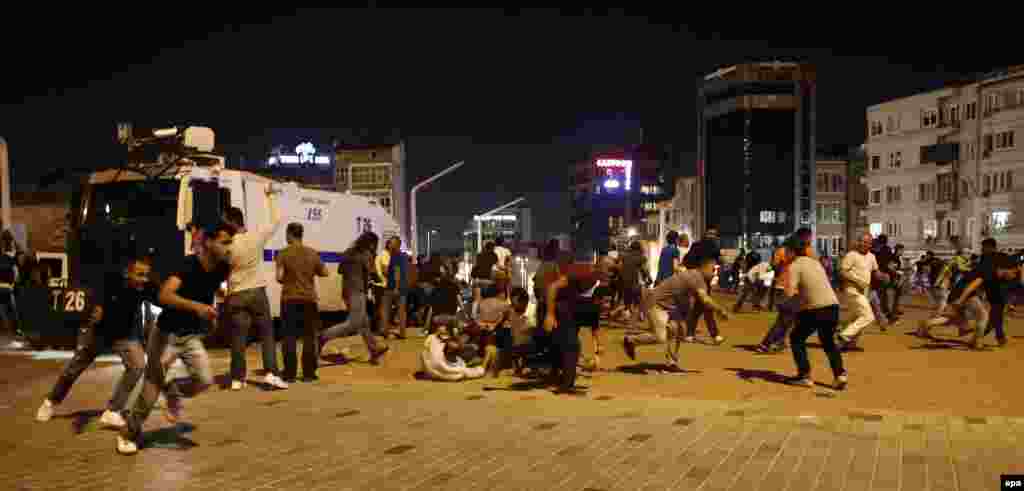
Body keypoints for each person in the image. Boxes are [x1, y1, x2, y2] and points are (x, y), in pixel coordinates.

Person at [117, 222, 235, 455]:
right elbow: (164, 295)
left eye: (231, 242)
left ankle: (174, 389)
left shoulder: (223, 268)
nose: (229, 247)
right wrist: (197, 307)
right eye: (224, 242)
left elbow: (214, 290)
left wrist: (216, 306)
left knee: (204, 380)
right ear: (209, 242)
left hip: (190, 336)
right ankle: (128, 433)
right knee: (151, 388)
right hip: (166, 336)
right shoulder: (188, 265)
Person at [37, 253, 158, 427]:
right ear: (128, 273)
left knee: (138, 365)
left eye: (146, 275)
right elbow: (98, 298)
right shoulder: (112, 282)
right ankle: (50, 402)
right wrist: (97, 309)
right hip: (100, 331)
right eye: (139, 274)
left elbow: (162, 297)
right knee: (75, 367)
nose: (144, 279)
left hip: (124, 334)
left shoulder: (146, 287)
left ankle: (113, 411)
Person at [222, 184, 287, 391]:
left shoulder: (228, 246)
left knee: (238, 337)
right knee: (266, 333)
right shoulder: (256, 236)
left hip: (236, 293)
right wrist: (270, 197)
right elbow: (276, 221)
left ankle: (237, 379)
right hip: (257, 291)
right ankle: (271, 374)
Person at [622, 255, 729, 368]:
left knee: (678, 330)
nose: (715, 273)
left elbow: (691, 302)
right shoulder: (697, 278)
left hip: (670, 307)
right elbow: (705, 299)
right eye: (713, 270)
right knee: (660, 337)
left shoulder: (697, 279)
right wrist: (720, 310)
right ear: (704, 267)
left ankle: (671, 361)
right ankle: (630, 340)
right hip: (656, 303)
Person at [783, 234, 848, 390]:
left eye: (786, 250)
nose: (784, 253)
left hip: (816, 309)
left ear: (792, 251)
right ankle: (840, 375)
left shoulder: (794, 266)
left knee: (796, 337)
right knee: (828, 342)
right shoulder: (815, 263)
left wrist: (789, 309)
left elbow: (790, 294)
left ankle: (804, 376)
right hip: (832, 306)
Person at [320, 231, 389, 364]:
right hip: (358, 291)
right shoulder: (366, 254)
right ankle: (323, 336)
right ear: (371, 244)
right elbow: (373, 273)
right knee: (353, 323)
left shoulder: (348, 252)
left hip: (346, 291)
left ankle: (374, 349)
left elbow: (340, 270)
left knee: (364, 322)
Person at [276, 223, 330, 382]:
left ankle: (290, 373)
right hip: (308, 300)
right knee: (309, 337)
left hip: (289, 299)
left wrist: (290, 278)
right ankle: (308, 373)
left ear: (290, 234)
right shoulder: (312, 253)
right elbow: (325, 272)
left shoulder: (283, 254)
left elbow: (279, 277)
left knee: (289, 337)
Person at [756, 229, 815, 353]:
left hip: (785, 287)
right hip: (790, 288)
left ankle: (779, 341)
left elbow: (774, 267)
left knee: (790, 318)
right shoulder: (805, 251)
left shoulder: (782, 251)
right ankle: (767, 343)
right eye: (809, 237)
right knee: (786, 318)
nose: (810, 240)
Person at [542, 252, 592, 395]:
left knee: (566, 348)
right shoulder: (566, 276)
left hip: (567, 315)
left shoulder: (569, 276)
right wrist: (550, 314)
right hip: (564, 315)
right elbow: (552, 288)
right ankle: (566, 384)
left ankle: (564, 381)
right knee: (571, 348)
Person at [954, 242, 1016, 348]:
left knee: (995, 314)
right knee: (994, 314)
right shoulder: (988, 257)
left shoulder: (998, 257)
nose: (982, 249)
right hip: (993, 286)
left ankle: (989, 336)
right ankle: (986, 337)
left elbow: (1010, 270)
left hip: (997, 286)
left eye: (983, 247)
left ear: (989, 247)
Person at [835, 233, 887, 350]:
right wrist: (857, 281)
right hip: (852, 290)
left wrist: (883, 276)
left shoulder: (871, 257)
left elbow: (875, 272)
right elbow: (842, 272)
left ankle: (848, 344)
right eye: (861, 241)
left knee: (856, 318)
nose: (863, 244)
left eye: (866, 242)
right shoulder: (851, 255)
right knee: (868, 316)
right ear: (858, 242)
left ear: (870, 244)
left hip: (864, 291)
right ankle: (844, 336)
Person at [682, 227, 724, 344]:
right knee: (706, 305)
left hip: (694, 277)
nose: (714, 237)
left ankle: (689, 334)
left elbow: (687, 260)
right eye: (714, 235)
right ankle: (715, 335)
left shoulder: (696, 245)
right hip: (703, 279)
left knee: (698, 306)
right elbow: (721, 260)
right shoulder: (713, 247)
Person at [381, 236, 411, 339]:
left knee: (385, 310)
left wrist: (396, 288)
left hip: (393, 287)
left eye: (391, 243)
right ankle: (402, 333)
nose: (389, 244)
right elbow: (406, 273)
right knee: (401, 311)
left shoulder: (396, 255)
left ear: (396, 245)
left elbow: (397, 271)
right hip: (402, 288)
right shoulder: (404, 256)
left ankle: (385, 331)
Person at [0, 230, 24, 335]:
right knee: (12, 310)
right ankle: (16, 329)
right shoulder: (11, 257)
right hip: (8, 288)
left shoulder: (7, 256)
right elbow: (16, 274)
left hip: (6, 287)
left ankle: (13, 328)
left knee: (8, 310)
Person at [471, 242, 499, 318]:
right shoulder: (494, 256)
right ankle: (488, 316)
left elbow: (474, 267)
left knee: (477, 300)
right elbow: (495, 269)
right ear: (492, 248)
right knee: (489, 300)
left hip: (478, 280)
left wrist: (473, 279)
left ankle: (473, 316)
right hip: (488, 281)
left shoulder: (479, 255)